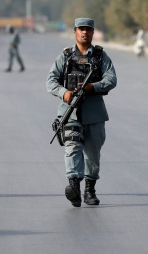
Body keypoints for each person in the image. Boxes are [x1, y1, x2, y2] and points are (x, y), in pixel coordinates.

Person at [47, 17, 117, 207]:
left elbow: (112, 79)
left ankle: (89, 190)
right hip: (69, 112)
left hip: (94, 112)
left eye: (88, 29)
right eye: (81, 29)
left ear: (93, 32)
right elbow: (51, 81)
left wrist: (92, 87)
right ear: (75, 32)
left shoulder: (101, 57)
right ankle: (74, 187)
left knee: (92, 154)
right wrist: (65, 93)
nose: (84, 32)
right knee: (72, 147)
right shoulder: (66, 56)